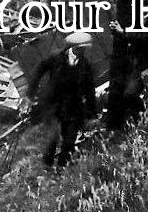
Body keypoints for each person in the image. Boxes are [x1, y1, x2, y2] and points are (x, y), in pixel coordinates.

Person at [28, 32, 99, 169]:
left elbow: (90, 90)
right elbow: (39, 71)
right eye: (80, 48)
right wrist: (30, 93)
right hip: (53, 104)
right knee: (52, 138)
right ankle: (47, 166)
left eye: (84, 49)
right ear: (74, 47)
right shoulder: (56, 57)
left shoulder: (85, 65)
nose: (82, 51)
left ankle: (62, 167)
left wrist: (91, 115)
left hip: (73, 107)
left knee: (69, 140)